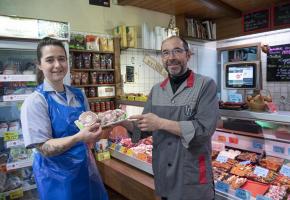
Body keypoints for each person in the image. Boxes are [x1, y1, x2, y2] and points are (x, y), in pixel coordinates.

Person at [121, 36, 219, 200]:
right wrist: (119, 121)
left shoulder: (205, 85)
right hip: (164, 175)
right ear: (162, 58)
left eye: (177, 51)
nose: (171, 57)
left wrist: (159, 123)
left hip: (192, 176)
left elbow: (204, 130)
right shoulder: (157, 90)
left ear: (188, 55)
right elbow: (143, 128)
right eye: (166, 53)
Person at [20, 37, 108, 200]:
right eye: (49, 60)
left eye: (61, 59)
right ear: (39, 64)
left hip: (85, 170)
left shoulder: (79, 95)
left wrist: (103, 123)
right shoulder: (36, 101)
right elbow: (44, 147)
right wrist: (79, 138)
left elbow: (88, 129)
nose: (57, 65)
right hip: (57, 179)